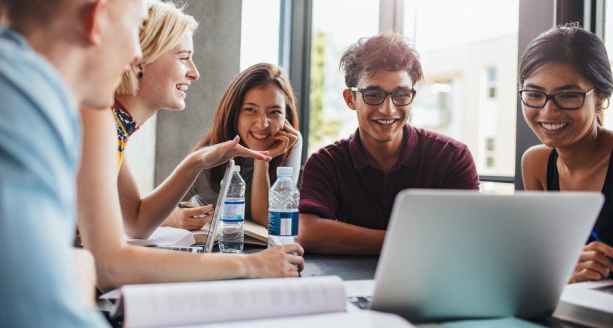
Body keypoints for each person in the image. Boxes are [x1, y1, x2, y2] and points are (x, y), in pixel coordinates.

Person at [77, 1, 304, 290]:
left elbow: (136, 222)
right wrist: (250, 264)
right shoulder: (98, 122)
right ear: (140, 60)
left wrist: (196, 161)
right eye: (184, 57)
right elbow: (110, 265)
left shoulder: (114, 128)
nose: (194, 73)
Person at [0, 0, 147, 326]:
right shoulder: (14, 106)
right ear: (96, 19)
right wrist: (78, 290)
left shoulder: (6, 85)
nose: (137, 52)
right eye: (135, 24)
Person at [298, 32, 480, 255]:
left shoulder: (452, 157)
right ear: (349, 99)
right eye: (373, 94)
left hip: (427, 286)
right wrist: (415, 242)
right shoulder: (326, 163)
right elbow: (308, 232)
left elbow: (465, 238)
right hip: (346, 286)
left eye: (401, 95)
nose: (388, 109)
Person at [519, 24, 613, 283]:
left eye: (569, 95)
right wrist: (564, 271)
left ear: (602, 97)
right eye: (535, 94)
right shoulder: (536, 163)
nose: (548, 112)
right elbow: (544, 259)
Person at [162, 63, 302, 228]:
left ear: (287, 115)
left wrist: (261, 160)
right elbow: (150, 215)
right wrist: (174, 219)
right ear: (234, 113)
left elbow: (266, 221)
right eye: (251, 110)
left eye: (275, 112)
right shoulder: (209, 156)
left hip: (260, 249)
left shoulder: (290, 142)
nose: (263, 124)